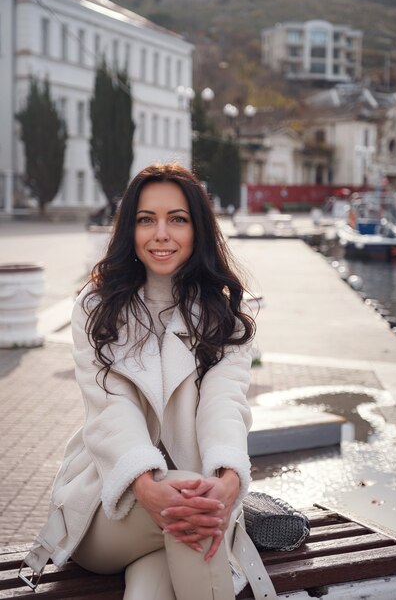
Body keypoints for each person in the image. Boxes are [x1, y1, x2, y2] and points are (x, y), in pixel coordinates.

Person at [20, 163, 257, 600]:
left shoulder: (226, 316)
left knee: (152, 586)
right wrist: (146, 485)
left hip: (194, 500)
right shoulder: (96, 307)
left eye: (178, 219)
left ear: (198, 229)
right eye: (146, 219)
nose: (161, 234)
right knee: (193, 513)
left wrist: (226, 481)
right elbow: (112, 410)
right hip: (108, 507)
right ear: (129, 228)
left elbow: (225, 403)